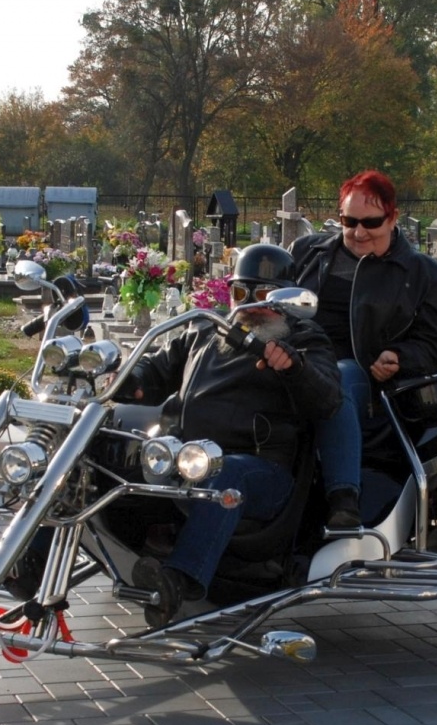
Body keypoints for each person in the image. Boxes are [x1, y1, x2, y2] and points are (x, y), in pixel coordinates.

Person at [117, 244, 342, 627]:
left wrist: (294, 368)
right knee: (105, 447)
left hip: (263, 472)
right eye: (241, 294)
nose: (250, 306)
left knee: (227, 475)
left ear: (285, 298)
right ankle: (32, 561)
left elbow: (327, 400)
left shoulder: (305, 339)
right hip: (189, 459)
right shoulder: (206, 328)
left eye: (263, 296)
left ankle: (178, 582)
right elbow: (157, 367)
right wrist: (131, 380)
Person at [289, 170, 437, 528]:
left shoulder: (426, 275)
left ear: (392, 218)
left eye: (371, 222)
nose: (359, 232)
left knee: (342, 374)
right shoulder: (307, 253)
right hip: (296, 365)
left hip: (368, 383)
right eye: (349, 221)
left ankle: (344, 498)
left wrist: (399, 357)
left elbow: (432, 345)